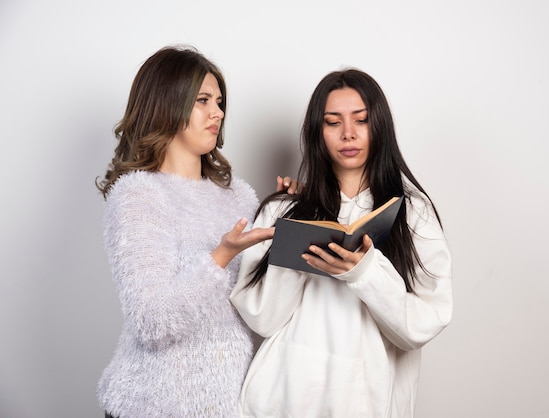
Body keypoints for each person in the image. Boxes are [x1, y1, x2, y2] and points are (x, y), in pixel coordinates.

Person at [230, 68, 453, 417]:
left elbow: (425, 321)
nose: (348, 133)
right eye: (332, 122)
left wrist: (366, 273)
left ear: (379, 125)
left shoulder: (413, 212)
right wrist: (300, 244)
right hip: (285, 400)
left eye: (360, 120)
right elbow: (262, 318)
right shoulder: (283, 209)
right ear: (317, 132)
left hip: (369, 403)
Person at [95, 45, 295, 418]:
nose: (217, 112)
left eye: (219, 102)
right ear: (167, 104)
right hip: (151, 408)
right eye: (203, 100)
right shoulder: (139, 194)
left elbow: (264, 301)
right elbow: (151, 322)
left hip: (226, 408)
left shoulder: (238, 196)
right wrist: (220, 257)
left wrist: (286, 213)